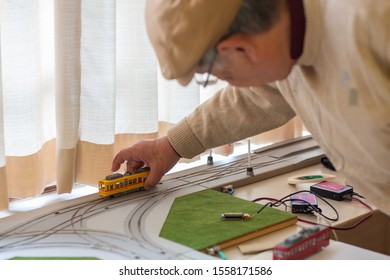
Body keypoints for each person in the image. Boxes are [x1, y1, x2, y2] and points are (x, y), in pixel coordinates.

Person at [112, 0, 390, 216]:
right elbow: (257, 97)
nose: (223, 81)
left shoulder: (376, 24)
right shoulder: (285, 44)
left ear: (243, 49)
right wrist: (169, 146)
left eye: (210, 74)